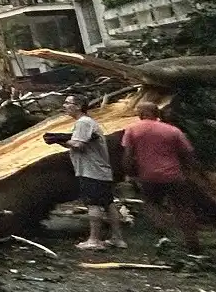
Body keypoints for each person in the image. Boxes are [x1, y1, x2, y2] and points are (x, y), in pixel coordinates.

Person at [44, 94, 124, 250]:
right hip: (100, 171)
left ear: (78, 106)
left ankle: (94, 240)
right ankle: (117, 238)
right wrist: (61, 140)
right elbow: (82, 143)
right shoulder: (87, 123)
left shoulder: (83, 122)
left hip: (91, 171)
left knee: (93, 204)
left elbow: (78, 145)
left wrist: (59, 140)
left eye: (68, 103)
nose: (64, 106)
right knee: (108, 204)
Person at [120, 100, 202, 252]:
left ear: (142, 113)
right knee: (183, 208)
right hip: (174, 175)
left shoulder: (132, 130)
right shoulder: (172, 130)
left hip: (149, 176)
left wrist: (129, 172)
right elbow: (188, 153)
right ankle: (193, 243)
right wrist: (190, 171)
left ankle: (163, 237)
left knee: (152, 204)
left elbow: (128, 155)